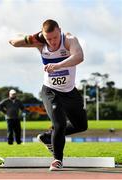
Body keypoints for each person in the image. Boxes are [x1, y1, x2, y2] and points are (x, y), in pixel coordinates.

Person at [9, 19, 88, 170]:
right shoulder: (40, 43)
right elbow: (13, 42)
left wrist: (57, 65)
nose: (52, 42)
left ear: (60, 30)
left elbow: (79, 57)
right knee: (60, 124)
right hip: (50, 91)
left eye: (55, 37)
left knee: (81, 125)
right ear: (43, 36)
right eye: (48, 38)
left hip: (70, 91)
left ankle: (47, 137)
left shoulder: (69, 40)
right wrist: (31, 37)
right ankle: (57, 160)